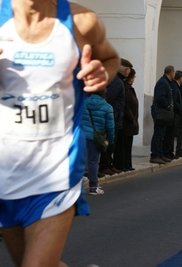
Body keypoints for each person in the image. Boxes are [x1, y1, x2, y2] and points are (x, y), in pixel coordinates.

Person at [0, 1, 120, 266]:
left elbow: (111, 59)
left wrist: (103, 74)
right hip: (4, 174)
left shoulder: (81, 20)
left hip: (56, 172)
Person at [99, 58, 131, 175]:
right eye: (129, 70)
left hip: (115, 117)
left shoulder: (118, 80)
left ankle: (108, 164)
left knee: (112, 144)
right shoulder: (116, 81)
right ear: (125, 70)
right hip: (112, 117)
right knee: (109, 144)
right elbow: (109, 99)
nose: (129, 72)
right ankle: (104, 165)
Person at [82, 90, 115, 194]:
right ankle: (93, 186)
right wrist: (110, 140)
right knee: (93, 162)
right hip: (96, 138)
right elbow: (110, 127)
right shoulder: (107, 107)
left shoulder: (83, 103)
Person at [113, 67, 139, 171]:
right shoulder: (125, 88)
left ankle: (127, 164)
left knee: (128, 144)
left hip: (131, 121)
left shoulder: (130, 88)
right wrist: (131, 118)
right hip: (126, 121)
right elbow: (126, 105)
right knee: (122, 145)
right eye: (134, 77)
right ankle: (121, 164)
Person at [150, 65, 175, 164]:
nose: (175, 74)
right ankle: (155, 155)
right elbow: (160, 98)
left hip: (163, 112)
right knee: (158, 133)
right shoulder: (163, 83)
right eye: (174, 72)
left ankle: (160, 154)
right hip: (161, 112)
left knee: (162, 134)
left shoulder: (166, 82)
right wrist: (168, 106)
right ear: (171, 73)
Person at [163, 70, 182, 160]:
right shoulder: (174, 86)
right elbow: (174, 100)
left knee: (171, 134)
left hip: (174, 113)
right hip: (173, 114)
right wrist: (179, 108)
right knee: (170, 134)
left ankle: (170, 153)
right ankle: (168, 152)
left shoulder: (175, 85)